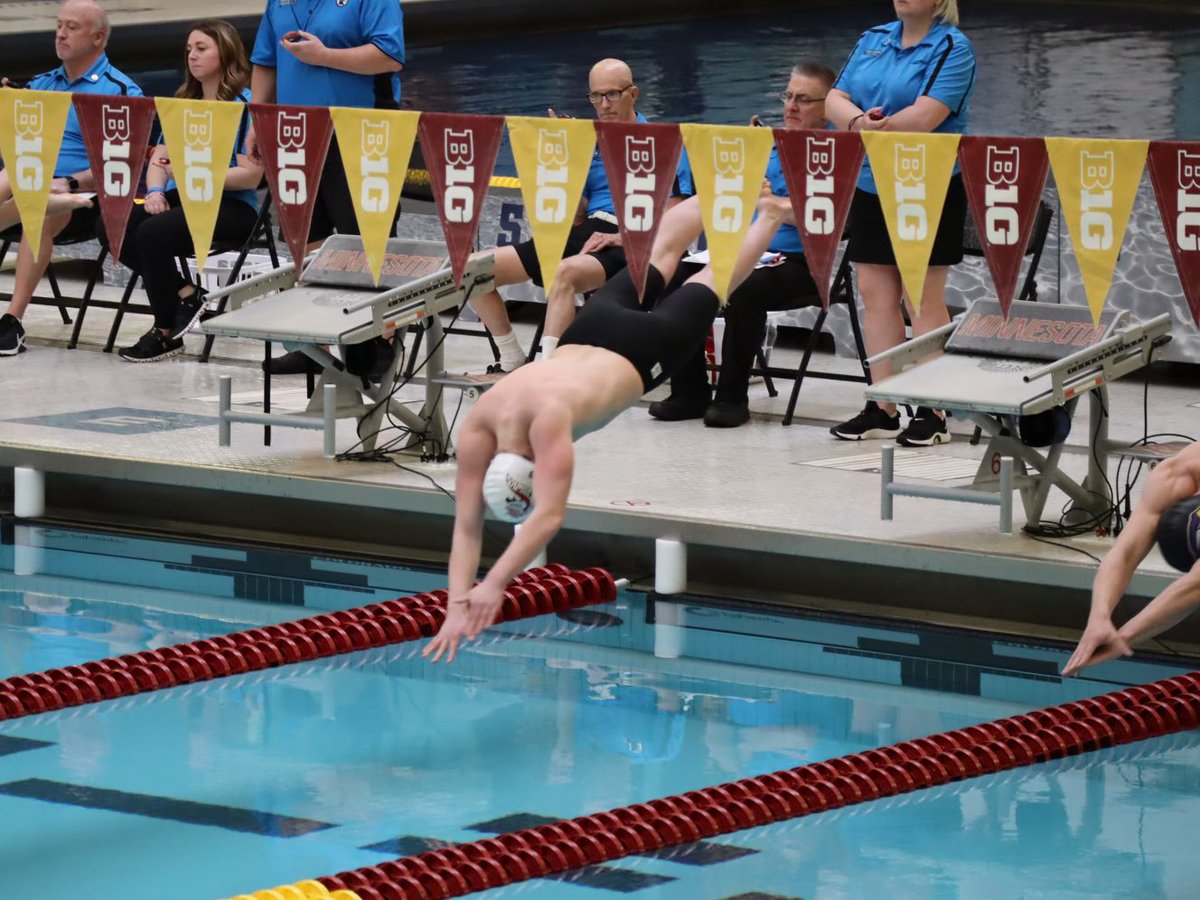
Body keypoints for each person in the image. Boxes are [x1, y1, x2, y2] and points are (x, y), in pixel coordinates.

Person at [423, 193, 795, 663]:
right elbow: (469, 526)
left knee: (713, 279)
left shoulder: (540, 425)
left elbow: (542, 519)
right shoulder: (486, 416)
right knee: (659, 254)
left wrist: (491, 587)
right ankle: (726, 185)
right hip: (591, 331)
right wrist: (460, 599)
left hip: (646, 352)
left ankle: (771, 215)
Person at [467, 58, 694, 374]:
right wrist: (564, 158)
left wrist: (624, 236)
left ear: (634, 94)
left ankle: (548, 373)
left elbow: (681, 209)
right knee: (469, 271)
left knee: (566, 272)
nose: (603, 105)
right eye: (595, 97)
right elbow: (575, 218)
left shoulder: (665, 139)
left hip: (634, 238)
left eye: (612, 95)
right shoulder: (589, 141)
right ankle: (512, 358)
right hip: (588, 231)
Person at [649, 62, 834, 428]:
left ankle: (732, 396)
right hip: (746, 250)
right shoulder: (767, 144)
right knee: (669, 275)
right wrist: (740, 162)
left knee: (743, 287)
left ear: (829, 107)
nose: (791, 107)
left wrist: (776, 208)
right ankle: (689, 391)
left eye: (804, 100)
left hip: (802, 263)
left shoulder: (834, 152)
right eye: (789, 97)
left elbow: (834, 221)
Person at [825, 0, 976, 445]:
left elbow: (928, 116)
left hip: (928, 184)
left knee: (922, 298)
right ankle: (882, 405)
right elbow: (834, 98)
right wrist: (858, 122)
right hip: (873, 181)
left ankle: (933, 410)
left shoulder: (954, 46)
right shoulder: (873, 39)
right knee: (876, 294)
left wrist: (876, 127)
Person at [249, 0, 405, 375]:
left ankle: (374, 346)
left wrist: (324, 55)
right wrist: (259, 117)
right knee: (308, 238)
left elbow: (389, 56)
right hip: (296, 132)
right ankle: (315, 345)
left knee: (365, 241)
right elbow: (266, 60)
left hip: (361, 131)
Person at [106, 20, 263, 363]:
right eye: (189, 49)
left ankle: (165, 332)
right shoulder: (185, 103)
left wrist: (196, 175)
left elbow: (250, 177)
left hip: (232, 207)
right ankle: (188, 294)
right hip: (186, 199)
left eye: (201, 48)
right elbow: (160, 161)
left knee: (151, 234)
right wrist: (156, 192)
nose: (192, 56)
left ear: (225, 52)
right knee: (111, 225)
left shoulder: (247, 106)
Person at [0, 0, 142, 357]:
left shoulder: (120, 92)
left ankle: (11, 321)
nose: (61, 34)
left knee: (37, 213)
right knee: (18, 184)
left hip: (81, 194)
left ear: (98, 38)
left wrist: (72, 184)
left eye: (72, 27)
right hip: (29, 178)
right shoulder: (40, 84)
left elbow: (122, 164)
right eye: (59, 25)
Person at [1062, 444, 1200, 676]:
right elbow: (1124, 555)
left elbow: (1194, 586)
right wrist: (1099, 617)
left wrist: (1124, 636)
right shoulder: (1176, 474)